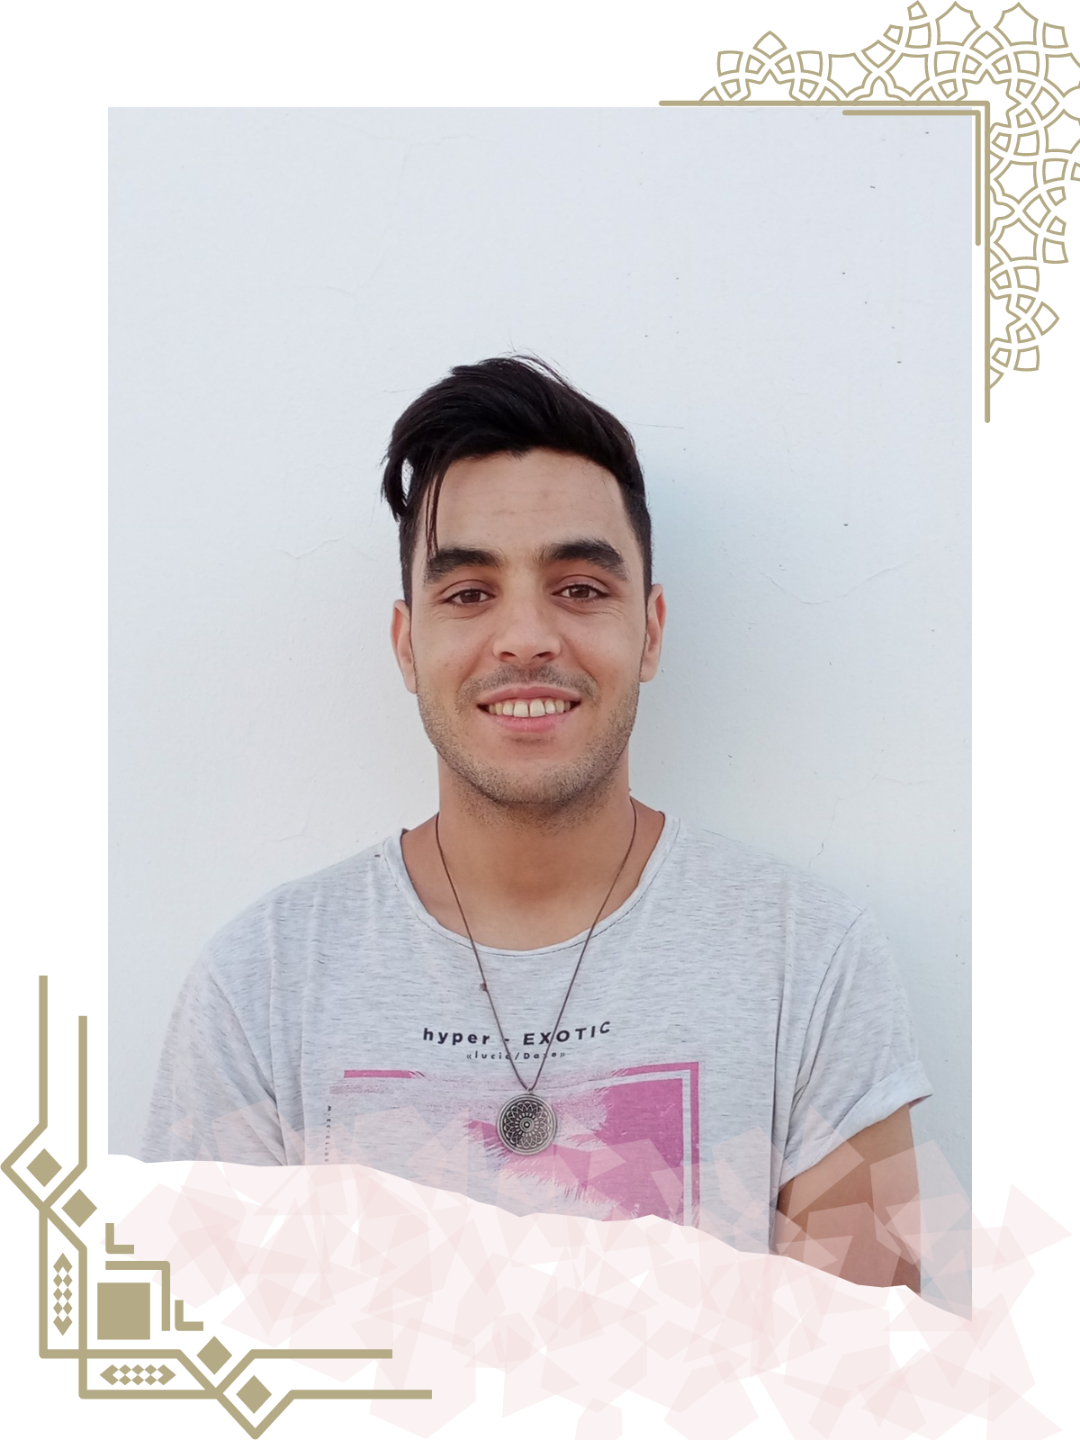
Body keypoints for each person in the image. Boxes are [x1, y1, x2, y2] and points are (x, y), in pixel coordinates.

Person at [144, 356, 932, 1291]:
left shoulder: (808, 960)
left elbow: (871, 1359)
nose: (525, 637)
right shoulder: (262, 986)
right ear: (408, 643)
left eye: (581, 588)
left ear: (651, 630)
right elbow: (197, 1347)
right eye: (468, 593)